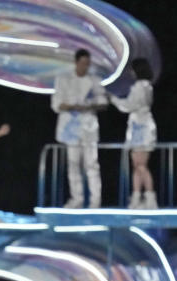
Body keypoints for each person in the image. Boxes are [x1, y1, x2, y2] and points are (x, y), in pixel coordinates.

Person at [52, 48, 108, 209]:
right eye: (83, 63)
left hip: (88, 128)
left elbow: (103, 102)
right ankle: (76, 199)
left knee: (91, 164)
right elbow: (56, 103)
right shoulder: (63, 79)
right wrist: (71, 106)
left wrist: (89, 105)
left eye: (88, 64)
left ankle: (95, 201)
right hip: (70, 129)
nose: (85, 67)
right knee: (73, 164)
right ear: (76, 62)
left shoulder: (94, 80)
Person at [109, 57, 157, 209]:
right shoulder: (147, 86)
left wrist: (113, 99)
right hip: (139, 126)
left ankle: (150, 198)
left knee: (141, 165)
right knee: (137, 165)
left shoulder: (140, 87)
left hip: (142, 128)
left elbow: (128, 106)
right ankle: (136, 197)